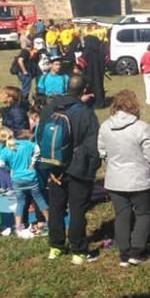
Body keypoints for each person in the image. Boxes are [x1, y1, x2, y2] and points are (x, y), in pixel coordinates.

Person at [41, 74, 102, 264]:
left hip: (54, 167)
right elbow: (94, 144)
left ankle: (56, 246)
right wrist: (92, 168)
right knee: (77, 209)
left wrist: (48, 166)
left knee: (56, 207)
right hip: (78, 167)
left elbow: (41, 137)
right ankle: (78, 250)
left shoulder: (50, 108)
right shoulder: (85, 113)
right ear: (84, 90)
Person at [97, 89, 150, 267]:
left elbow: (102, 151)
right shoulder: (141, 127)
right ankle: (137, 251)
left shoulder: (105, 126)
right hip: (139, 179)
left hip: (115, 179)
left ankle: (124, 252)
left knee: (122, 215)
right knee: (144, 214)